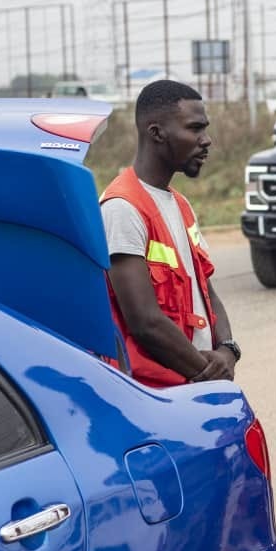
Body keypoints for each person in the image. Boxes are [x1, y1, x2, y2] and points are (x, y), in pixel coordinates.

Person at [100, 79, 240, 388]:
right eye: (194, 129)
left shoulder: (180, 204)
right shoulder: (123, 207)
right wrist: (206, 373)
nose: (207, 140)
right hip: (159, 393)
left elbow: (208, 293)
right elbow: (145, 322)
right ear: (156, 133)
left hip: (198, 383)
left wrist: (228, 351)